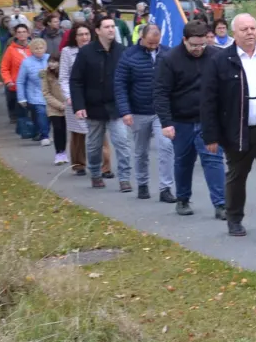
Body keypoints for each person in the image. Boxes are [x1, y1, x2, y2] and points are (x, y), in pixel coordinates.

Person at [201, 13, 256, 239]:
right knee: (237, 177)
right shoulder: (219, 61)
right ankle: (234, 218)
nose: (250, 32)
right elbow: (209, 101)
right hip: (236, 131)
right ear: (234, 34)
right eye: (244, 29)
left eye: (253, 28)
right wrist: (211, 136)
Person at [155, 19, 227, 219]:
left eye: (202, 44)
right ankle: (183, 199)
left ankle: (221, 204)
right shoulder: (169, 59)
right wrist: (166, 122)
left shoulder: (216, 56)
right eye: (193, 45)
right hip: (181, 120)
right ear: (184, 40)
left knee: (214, 160)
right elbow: (161, 92)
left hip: (208, 121)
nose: (198, 49)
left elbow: (225, 88)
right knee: (183, 162)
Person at [70, 15, 133, 191]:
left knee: (122, 142)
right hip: (94, 106)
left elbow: (130, 78)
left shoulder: (122, 51)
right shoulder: (86, 52)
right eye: (106, 27)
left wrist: (129, 104)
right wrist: (79, 105)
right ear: (97, 31)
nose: (111, 29)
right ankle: (96, 174)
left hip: (116, 106)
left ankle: (125, 179)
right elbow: (76, 81)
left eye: (113, 26)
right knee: (94, 145)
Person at [115, 22, 176, 202]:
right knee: (141, 151)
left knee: (166, 147)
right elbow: (120, 84)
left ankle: (166, 188)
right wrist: (125, 111)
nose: (152, 46)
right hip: (138, 111)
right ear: (142, 37)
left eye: (155, 43)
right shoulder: (129, 55)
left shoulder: (167, 54)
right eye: (149, 43)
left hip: (161, 112)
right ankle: (142, 183)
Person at [58, 23, 99, 175]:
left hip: (94, 96)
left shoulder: (97, 49)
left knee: (99, 130)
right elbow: (63, 77)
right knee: (78, 133)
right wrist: (69, 97)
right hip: (75, 97)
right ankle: (79, 164)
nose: (84, 37)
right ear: (75, 37)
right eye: (80, 35)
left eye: (86, 34)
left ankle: (103, 165)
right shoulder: (68, 52)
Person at [15, 38, 51, 146]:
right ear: (32, 50)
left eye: (41, 48)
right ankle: (45, 136)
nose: (39, 50)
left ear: (45, 48)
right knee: (41, 112)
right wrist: (21, 98)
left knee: (48, 116)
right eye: (36, 48)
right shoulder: (26, 62)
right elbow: (20, 81)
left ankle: (41, 132)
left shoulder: (49, 59)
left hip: (50, 93)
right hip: (34, 94)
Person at [0, 21, 34, 134]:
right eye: (19, 32)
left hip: (33, 85)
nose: (22, 35)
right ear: (15, 35)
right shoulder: (11, 49)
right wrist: (8, 81)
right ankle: (26, 131)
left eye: (24, 32)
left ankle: (39, 130)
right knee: (22, 110)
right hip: (17, 85)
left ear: (28, 33)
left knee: (36, 109)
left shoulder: (34, 48)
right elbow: (4, 68)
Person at [41, 49, 70, 164]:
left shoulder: (65, 73)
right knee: (57, 128)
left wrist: (66, 103)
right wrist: (59, 105)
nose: (51, 64)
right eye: (50, 61)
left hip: (67, 105)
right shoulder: (46, 74)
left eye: (54, 61)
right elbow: (46, 92)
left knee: (64, 130)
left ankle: (64, 152)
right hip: (54, 107)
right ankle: (58, 153)